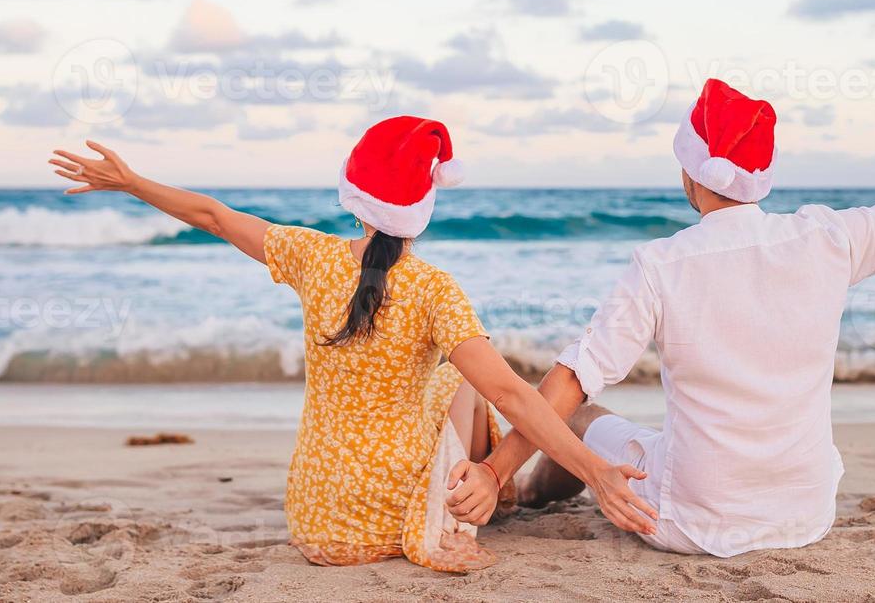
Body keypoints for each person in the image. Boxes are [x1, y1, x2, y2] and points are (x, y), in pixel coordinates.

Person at [445, 78, 875, 557]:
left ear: (690, 176)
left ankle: (524, 496)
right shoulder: (826, 238)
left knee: (589, 418)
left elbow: (570, 385)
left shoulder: (661, 264)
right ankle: (522, 488)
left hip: (694, 521)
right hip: (804, 513)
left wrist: (495, 470)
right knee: (632, 427)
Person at [49, 115, 656, 572]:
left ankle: (495, 488)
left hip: (319, 521)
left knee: (452, 378)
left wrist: (131, 183)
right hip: (395, 516)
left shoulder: (310, 256)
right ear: (423, 205)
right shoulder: (431, 288)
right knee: (463, 374)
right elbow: (510, 393)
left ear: (354, 194)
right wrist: (597, 472)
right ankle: (492, 491)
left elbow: (211, 214)